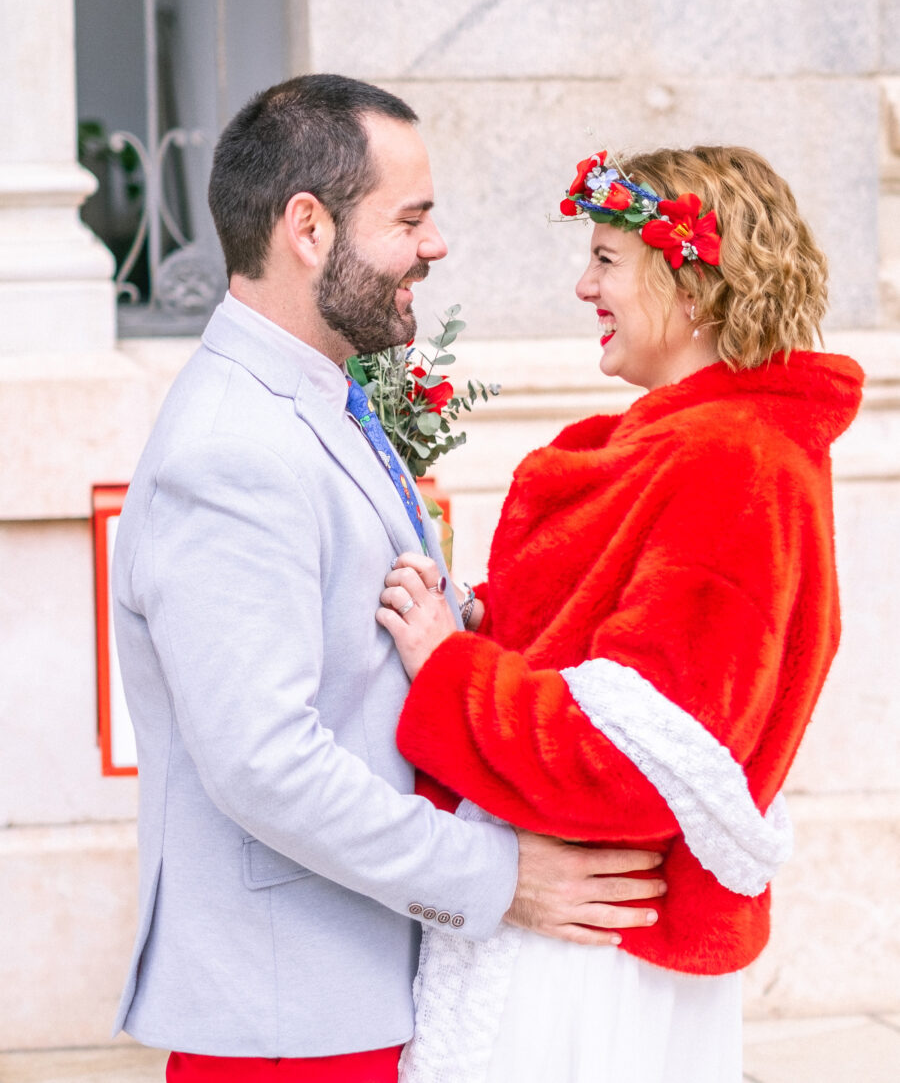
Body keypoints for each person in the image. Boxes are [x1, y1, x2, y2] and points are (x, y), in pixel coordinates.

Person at [110, 76, 666, 1083]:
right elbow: (265, 762)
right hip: (296, 1016)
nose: (436, 245)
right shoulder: (231, 449)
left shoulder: (308, 396)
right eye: (411, 218)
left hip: (351, 990)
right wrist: (504, 879)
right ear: (309, 228)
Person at [379, 145, 864, 1083]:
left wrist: (448, 666)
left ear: (690, 282)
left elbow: (638, 756)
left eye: (606, 258)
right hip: (588, 941)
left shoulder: (731, 463)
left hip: (587, 961)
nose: (581, 285)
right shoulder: (701, 447)